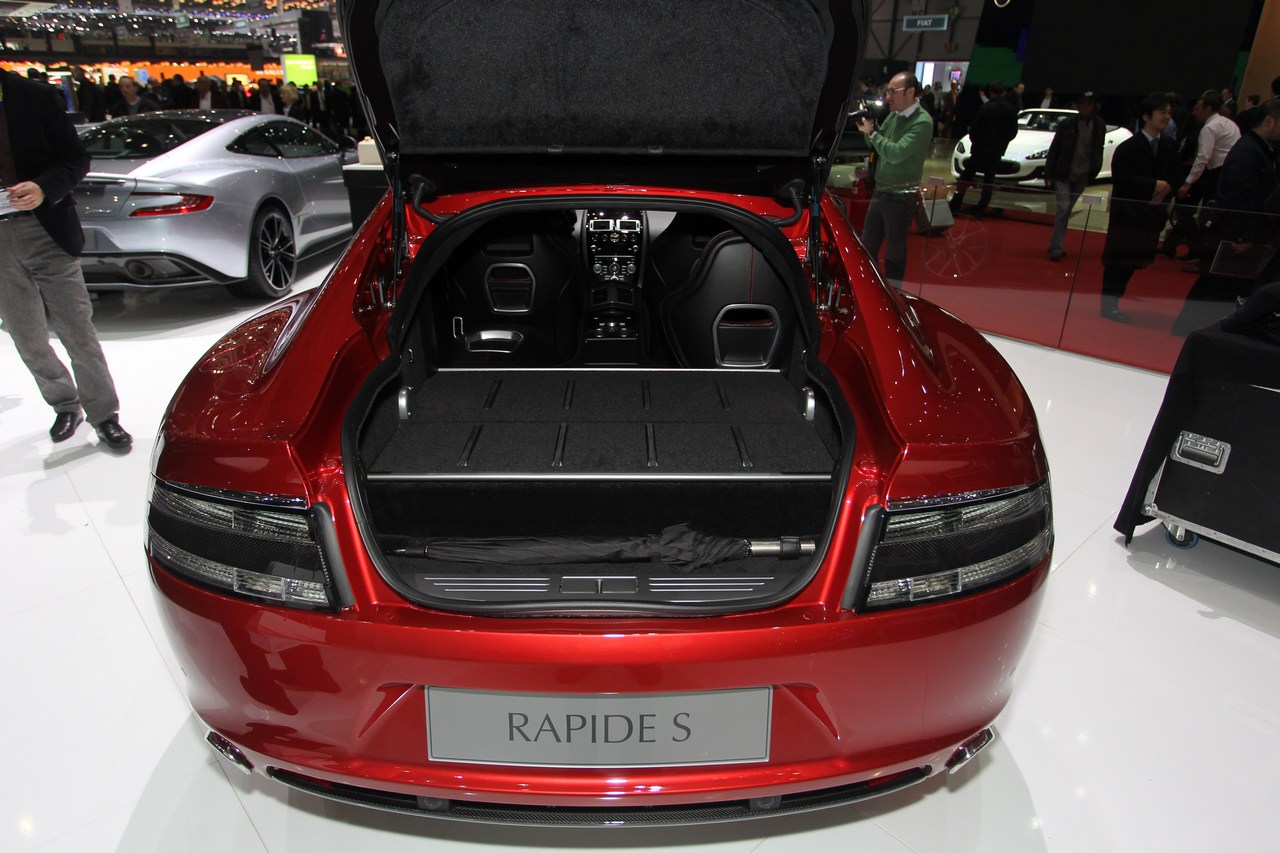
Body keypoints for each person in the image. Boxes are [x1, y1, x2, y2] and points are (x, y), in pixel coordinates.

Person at [0, 69, 132, 450]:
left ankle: (104, 415)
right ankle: (64, 404)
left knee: (76, 328)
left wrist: (43, 188)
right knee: (26, 335)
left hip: (46, 228)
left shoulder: (34, 97)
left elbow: (76, 159)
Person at [1099, 92, 1179, 323]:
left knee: (1135, 259)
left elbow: (1176, 175)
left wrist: (1166, 189)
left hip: (1151, 213)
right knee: (1119, 260)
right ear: (1146, 116)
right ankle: (1109, 303)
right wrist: (1154, 185)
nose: (1166, 116)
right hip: (1128, 214)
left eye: (1169, 112)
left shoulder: (1168, 145)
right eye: (1162, 112)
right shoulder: (1129, 147)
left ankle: (1114, 300)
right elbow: (1121, 179)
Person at [854, 72, 933, 288]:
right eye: (887, 91)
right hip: (881, 190)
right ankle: (870, 289)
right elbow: (877, 146)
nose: (888, 96)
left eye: (892, 91)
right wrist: (869, 130)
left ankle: (895, 293)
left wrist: (873, 134)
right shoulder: (894, 115)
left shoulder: (922, 122)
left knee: (894, 251)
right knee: (868, 244)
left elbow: (896, 153)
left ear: (910, 92)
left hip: (901, 195)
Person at [1176, 90, 1241, 263]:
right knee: (1216, 217)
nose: (1195, 112)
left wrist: (1188, 183)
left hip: (1217, 174)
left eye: (1198, 108)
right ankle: (1207, 256)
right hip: (1230, 174)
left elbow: (1202, 158)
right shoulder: (1229, 124)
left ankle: (1202, 256)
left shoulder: (1210, 127)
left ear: (1208, 109)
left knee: (1209, 216)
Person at [1044, 91, 1106, 261]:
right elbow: (1055, 148)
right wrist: (1049, 172)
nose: (1084, 107)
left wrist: (1095, 169)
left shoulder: (1099, 125)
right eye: (1082, 103)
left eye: (1088, 104)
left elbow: (1098, 149)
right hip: (1063, 173)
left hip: (1083, 175)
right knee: (1063, 208)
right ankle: (1056, 248)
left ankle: (1055, 244)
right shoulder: (1067, 124)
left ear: (1094, 106)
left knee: (1066, 210)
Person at [949, 82, 1018, 219]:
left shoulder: (986, 108)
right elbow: (1012, 132)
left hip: (980, 148)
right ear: (1003, 93)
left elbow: (975, 128)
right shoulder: (1011, 110)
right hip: (996, 150)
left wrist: (976, 141)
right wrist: (1002, 143)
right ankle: (981, 207)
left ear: (991, 93)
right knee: (989, 180)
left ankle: (955, 204)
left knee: (966, 177)